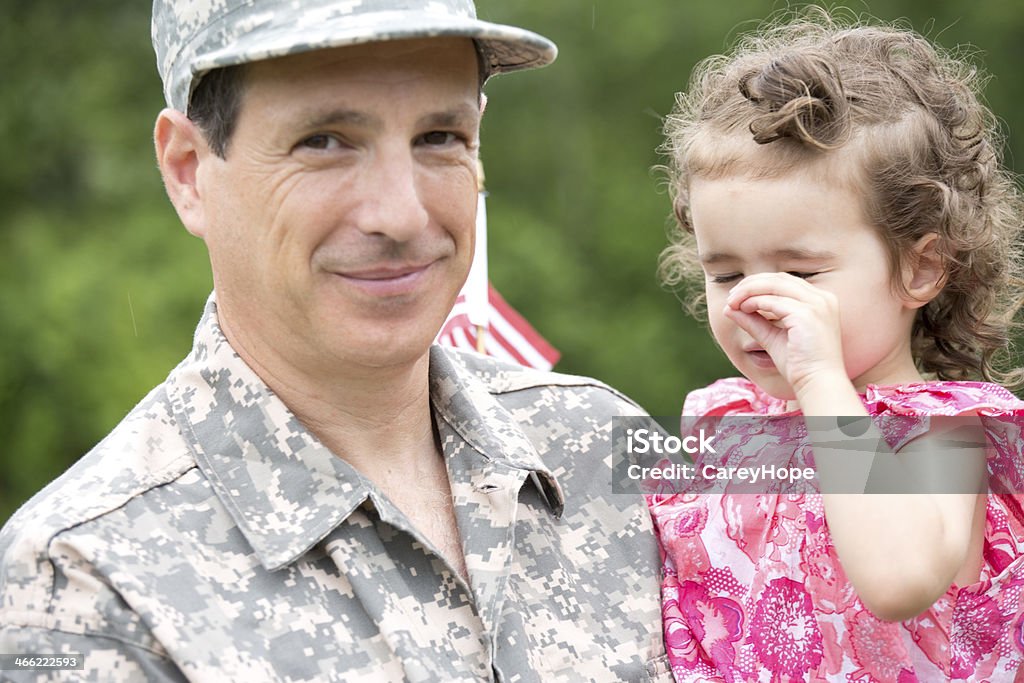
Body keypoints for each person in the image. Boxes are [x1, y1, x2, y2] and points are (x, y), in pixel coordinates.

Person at [0, 1, 670, 680]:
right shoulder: (79, 584)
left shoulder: (607, 446)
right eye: (324, 141)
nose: (401, 214)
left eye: (440, 135)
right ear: (187, 169)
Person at [648, 9, 1024, 682]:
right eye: (726, 273)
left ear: (921, 267)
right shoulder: (724, 422)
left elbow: (898, 579)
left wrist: (823, 382)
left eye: (799, 273)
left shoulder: (945, 435)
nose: (755, 301)